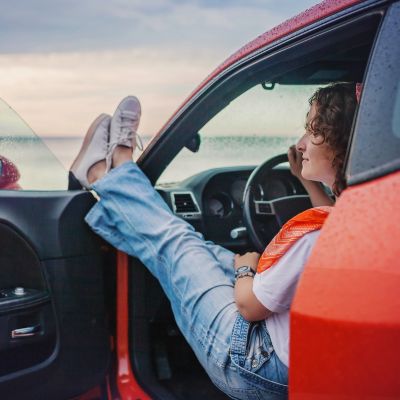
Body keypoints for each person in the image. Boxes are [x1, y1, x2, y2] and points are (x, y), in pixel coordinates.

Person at [70, 83, 357, 400]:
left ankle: (106, 173)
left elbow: (249, 307)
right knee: (198, 249)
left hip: (253, 364)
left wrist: (246, 269)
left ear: (342, 147)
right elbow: (334, 216)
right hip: (296, 363)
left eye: (312, 132)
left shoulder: (314, 236)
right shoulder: (362, 216)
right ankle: (113, 193)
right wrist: (307, 182)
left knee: (176, 243)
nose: (301, 144)